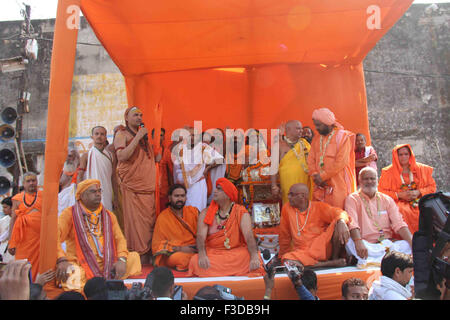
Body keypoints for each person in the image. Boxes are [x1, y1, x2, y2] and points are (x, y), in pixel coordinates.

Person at [56, 179, 142, 293]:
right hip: (81, 263)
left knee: (133, 257)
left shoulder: (108, 215)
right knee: (72, 273)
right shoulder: (69, 214)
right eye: (93, 192)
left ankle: (103, 278)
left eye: (99, 191)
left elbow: (120, 239)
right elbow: (55, 237)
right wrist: (62, 260)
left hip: (108, 262)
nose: (97, 194)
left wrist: (121, 259)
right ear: (82, 195)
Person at [188, 178, 264, 277]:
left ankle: (217, 272)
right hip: (214, 254)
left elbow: (249, 236)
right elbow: (200, 236)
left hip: (235, 253)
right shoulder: (205, 213)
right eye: (216, 188)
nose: (215, 191)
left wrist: (254, 256)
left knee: (253, 255)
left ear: (228, 194)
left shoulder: (240, 211)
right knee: (194, 260)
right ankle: (234, 271)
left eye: (219, 189)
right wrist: (202, 254)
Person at [345, 167, 413, 268]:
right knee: (350, 242)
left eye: (372, 178)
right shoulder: (353, 199)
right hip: (366, 244)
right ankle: (389, 260)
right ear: (359, 180)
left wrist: (412, 242)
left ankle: (373, 260)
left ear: (377, 180)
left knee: (406, 245)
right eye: (366, 179)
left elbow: (399, 223)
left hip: (386, 244)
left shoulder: (386, 199)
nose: (369, 181)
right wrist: (358, 242)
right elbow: (352, 223)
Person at [114, 106, 157, 264]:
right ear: (126, 118)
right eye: (135, 115)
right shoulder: (122, 134)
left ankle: (147, 256)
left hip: (148, 187)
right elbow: (121, 156)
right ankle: (139, 258)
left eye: (140, 115)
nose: (139, 117)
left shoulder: (144, 137)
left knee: (149, 223)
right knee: (136, 225)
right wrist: (138, 137)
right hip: (133, 187)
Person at [279, 183, 351, 270]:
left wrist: (342, 221)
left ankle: (332, 259)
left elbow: (339, 212)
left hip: (322, 248)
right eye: (288, 194)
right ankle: (329, 264)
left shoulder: (318, 207)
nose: (288, 197)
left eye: (291, 194)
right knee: (288, 261)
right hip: (302, 252)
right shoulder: (287, 208)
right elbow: (284, 235)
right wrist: (282, 256)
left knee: (338, 222)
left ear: (302, 196)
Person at [378, 144, 436, 234]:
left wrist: (418, 192)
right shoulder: (387, 172)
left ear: (410, 155)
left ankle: (426, 240)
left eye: (406, 154)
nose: (403, 157)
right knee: (402, 210)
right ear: (395, 156)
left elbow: (432, 187)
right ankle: (407, 240)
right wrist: (399, 195)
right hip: (398, 201)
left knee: (427, 209)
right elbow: (381, 191)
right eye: (400, 155)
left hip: (420, 199)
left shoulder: (422, 169)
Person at [307, 107, 356, 209]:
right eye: (315, 125)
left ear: (327, 123)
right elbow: (310, 160)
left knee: (338, 214)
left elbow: (341, 162)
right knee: (320, 214)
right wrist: (316, 175)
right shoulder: (316, 139)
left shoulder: (342, 137)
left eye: (318, 125)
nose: (316, 128)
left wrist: (323, 176)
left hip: (338, 183)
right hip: (319, 185)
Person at [173, 127, 223, 212]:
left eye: (194, 135)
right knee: (184, 212)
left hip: (198, 186)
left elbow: (220, 159)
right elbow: (176, 169)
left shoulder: (203, 147)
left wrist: (207, 168)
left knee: (197, 211)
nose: (191, 138)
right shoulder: (179, 149)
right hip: (184, 185)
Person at [152, 184, 199, 271]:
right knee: (176, 259)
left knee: (209, 254)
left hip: (195, 249)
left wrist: (196, 248)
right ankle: (197, 262)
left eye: (182, 196)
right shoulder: (163, 217)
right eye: (176, 196)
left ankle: (197, 261)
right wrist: (180, 248)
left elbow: (204, 233)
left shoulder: (193, 212)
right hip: (177, 252)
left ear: (186, 197)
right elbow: (157, 244)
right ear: (170, 198)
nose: (180, 199)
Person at [8, 172, 42, 281]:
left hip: (40, 239)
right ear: (23, 184)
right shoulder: (17, 199)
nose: (31, 183)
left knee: (41, 265)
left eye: (33, 180)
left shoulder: (44, 195)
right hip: (23, 239)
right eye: (28, 181)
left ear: (37, 182)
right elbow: (13, 219)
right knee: (23, 265)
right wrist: (10, 242)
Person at [78, 126, 118, 213]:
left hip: (107, 193)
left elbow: (114, 177)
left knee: (106, 220)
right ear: (92, 137)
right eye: (96, 134)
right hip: (91, 194)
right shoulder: (86, 155)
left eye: (102, 134)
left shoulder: (111, 156)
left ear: (106, 137)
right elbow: (80, 176)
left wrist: (116, 198)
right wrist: (80, 194)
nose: (99, 136)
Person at [271, 120, 312, 204]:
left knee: (306, 206)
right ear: (289, 129)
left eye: (301, 128)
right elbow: (273, 167)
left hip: (305, 182)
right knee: (290, 206)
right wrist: (273, 186)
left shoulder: (305, 144)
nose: (301, 131)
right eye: (298, 128)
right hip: (288, 183)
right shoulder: (279, 146)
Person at [152, 128, 172, 211]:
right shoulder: (147, 151)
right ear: (152, 136)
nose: (159, 138)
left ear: (164, 138)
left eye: (161, 135)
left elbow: (171, 172)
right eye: (157, 135)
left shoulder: (166, 152)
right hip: (150, 191)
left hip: (163, 192)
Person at [58, 148, 80, 214]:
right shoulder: (60, 173)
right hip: (61, 209)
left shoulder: (80, 173)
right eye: (66, 156)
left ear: (77, 158)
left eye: (70, 156)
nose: (68, 158)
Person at [0, 197, 14, 263]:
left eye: (5, 207)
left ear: (12, 207)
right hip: (3, 250)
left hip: (13, 250)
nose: (3, 209)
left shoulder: (19, 219)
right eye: (3, 207)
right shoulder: (3, 220)